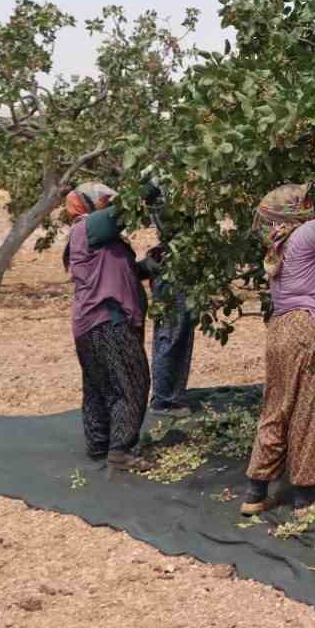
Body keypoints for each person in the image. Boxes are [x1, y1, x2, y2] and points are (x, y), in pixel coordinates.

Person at [242, 135, 315, 514]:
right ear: (292, 214)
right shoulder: (305, 238)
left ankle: (255, 492)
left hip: (280, 332)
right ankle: (306, 494)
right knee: (307, 409)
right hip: (308, 332)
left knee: (275, 407)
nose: (311, 208)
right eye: (304, 204)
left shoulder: (276, 246)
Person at [64, 182, 162, 472]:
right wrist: (150, 185)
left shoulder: (101, 239)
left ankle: (99, 446)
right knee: (132, 382)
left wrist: (149, 264)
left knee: (99, 386)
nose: (108, 204)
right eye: (104, 200)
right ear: (89, 204)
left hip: (91, 324)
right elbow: (125, 210)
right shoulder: (88, 227)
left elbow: (124, 273)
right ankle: (121, 452)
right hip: (107, 321)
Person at [142, 178, 197, 417]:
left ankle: (170, 395)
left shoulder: (167, 201)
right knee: (172, 334)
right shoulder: (166, 204)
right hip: (174, 272)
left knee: (177, 333)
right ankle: (164, 400)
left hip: (176, 269)